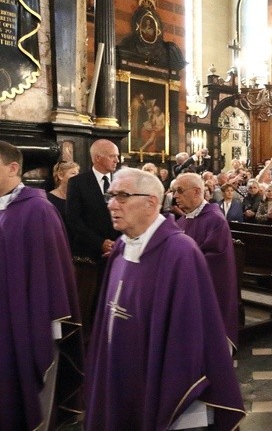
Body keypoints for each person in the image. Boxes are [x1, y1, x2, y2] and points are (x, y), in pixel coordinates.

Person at [84, 168, 245, 429]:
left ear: (151, 202)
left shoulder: (179, 252)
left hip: (159, 381)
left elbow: (187, 340)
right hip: (121, 370)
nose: (112, 204)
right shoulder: (123, 246)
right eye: (111, 196)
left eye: (122, 196)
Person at [0, 141, 83, 430]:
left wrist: (48, 327)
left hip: (32, 322)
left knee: (34, 394)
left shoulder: (37, 211)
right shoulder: (5, 208)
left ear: (13, 168)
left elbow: (51, 273)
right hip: (5, 319)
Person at [174, 172, 240, 349]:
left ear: (197, 191)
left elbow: (214, 260)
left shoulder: (215, 221)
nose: (175, 196)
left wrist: (179, 266)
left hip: (208, 294)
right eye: (173, 191)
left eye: (179, 191)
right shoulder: (182, 221)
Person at [66, 139, 121, 340]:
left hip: (118, 254)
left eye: (117, 155)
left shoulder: (121, 181)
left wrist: (119, 244)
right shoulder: (78, 183)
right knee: (87, 307)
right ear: (98, 158)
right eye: (112, 155)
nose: (117, 159)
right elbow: (74, 220)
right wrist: (100, 242)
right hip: (88, 258)